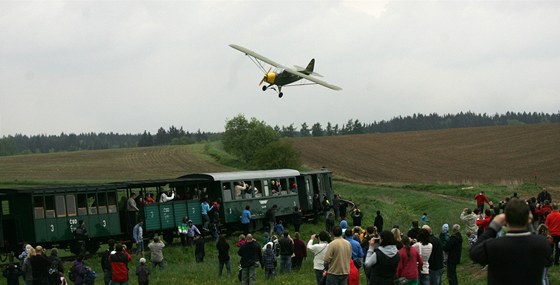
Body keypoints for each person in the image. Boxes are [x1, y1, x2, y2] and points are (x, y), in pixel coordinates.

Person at [470, 198, 553, 285]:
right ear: (529, 217)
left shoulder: (493, 246)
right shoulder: (541, 243)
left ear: (505, 219)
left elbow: (474, 252)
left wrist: (493, 227)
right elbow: (548, 262)